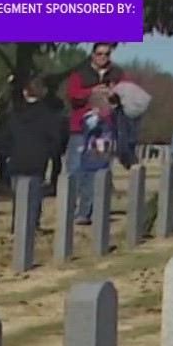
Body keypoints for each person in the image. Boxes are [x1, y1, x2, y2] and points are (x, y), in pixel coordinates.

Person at [65, 43, 124, 226]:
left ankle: (90, 211)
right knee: (75, 169)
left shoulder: (117, 74)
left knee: (99, 168)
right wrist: (92, 91)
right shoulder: (80, 74)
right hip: (80, 129)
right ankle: (72, 207)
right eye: (99, 54)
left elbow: (126, 96)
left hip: (103, 130)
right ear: (92, 55)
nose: (103, 57)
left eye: (107, 54)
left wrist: (113, 94)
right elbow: (72, 95)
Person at [1, 77, 61, 235]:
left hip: (17, 159)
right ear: (43, 93)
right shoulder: (49, 115)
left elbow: (6, 137)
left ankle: (17, 226)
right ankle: (32, 226)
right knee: (34, 197)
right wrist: (50, 155)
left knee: (18, 197)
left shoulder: (14, 114)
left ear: (25, 92)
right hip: (37, 160)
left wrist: (7, 155)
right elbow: (55, 139)